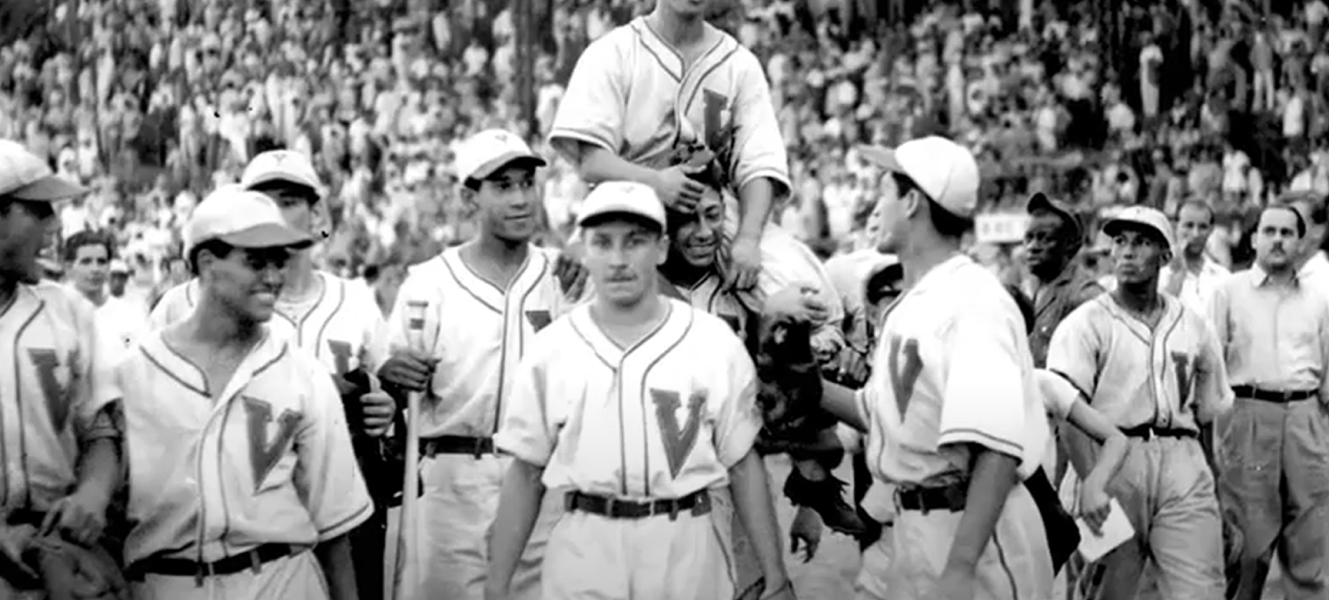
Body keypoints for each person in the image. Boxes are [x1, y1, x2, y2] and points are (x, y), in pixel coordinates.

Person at [485, 181, 793, 600]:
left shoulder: (712, 341)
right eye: (602, 243)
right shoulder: (552, 348)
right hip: (586, 540)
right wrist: (497, 584)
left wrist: (774, 574)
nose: (617, 260)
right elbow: (525, 473)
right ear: (585, 250)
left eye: (635, 242)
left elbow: (742, 464)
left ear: (662, 248)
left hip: (685, 537)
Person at [805, 136, 1055, 600]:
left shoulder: (973, 300)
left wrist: (960, 567)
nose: (874, 204)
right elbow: (881, 410)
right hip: (916, 523)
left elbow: (996, 451)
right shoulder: (914, 301)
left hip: (976, 535)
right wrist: (808, 385)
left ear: (913, 200)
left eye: (884, 192)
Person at [146, 150, 397, 599]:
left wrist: (385, 408)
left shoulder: (354, 301)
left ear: (315, 210)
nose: (274, 212)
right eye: (261, 199)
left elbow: (382, 397)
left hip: (323, 510)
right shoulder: (178, 306)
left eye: (288, 199)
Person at [548, 0, 844, 340]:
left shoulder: (738, 64)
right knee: (576, 295)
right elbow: (591, 161)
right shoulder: (612, 53)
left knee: (805, 292)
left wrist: (747, 241)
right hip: (625, 200)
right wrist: (655, 182)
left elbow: (758, 163)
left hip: (710, 205)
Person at [377, 129, 569, 600]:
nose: (521, 198)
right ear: (469, 199)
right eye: (502, 186)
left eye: (527, 183)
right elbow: (390, 391)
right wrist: (393, 378)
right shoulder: (428, 284)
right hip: (453, 476)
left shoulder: (561, 275)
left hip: (540, 477)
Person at [1047, 206, 1230, 600]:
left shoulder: (1194, 324)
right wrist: (1091, 483)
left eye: (1142, 243)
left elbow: (1208, 411)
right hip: (1107, 460)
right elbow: (1068, 416)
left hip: (1182, 457)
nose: (1128, 252)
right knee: (1109, 588)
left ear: (1165, 256)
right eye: (1120, 241)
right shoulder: (1085, 324)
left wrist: (1213, 482)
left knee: (1200, 588)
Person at [0, 139, 123, 599]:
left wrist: (92, 494)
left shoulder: (67, 309)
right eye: (38, 210)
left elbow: (101, 430)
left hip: (58, 545)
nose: (55, 224)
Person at [1209, 204, 1329, 600]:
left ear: (1301, 242)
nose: (1278, 240)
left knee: (1310, 537)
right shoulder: (1228, 291)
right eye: (1270, 231)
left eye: (1287, 233)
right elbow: (1210, 365)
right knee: (1248, 544)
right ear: (1254, 238)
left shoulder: (1320, 295)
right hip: (1247, 414)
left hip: (1306, 416)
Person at [1020, 192, 1104, 368]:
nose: (1032, 247)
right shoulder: (1036, 287)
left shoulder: (1086, 296)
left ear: (1070, 244)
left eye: (1045, 238)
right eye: (1029, 238)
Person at [63, 230, 148, 358]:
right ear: (69, 268)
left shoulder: (128, 315)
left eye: (101, 262)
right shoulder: (57, 312)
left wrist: (126, 343)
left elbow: (133, 348)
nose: (95, 269)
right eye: (86, 262)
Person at [1160, 200, 1229, 319]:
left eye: (1202, 227)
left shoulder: (1223, 277)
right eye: (1189, 225)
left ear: (1211, 230)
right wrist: (1177, 277)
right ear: (1175, 226)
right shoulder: (1159, 274)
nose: (1196, 234)